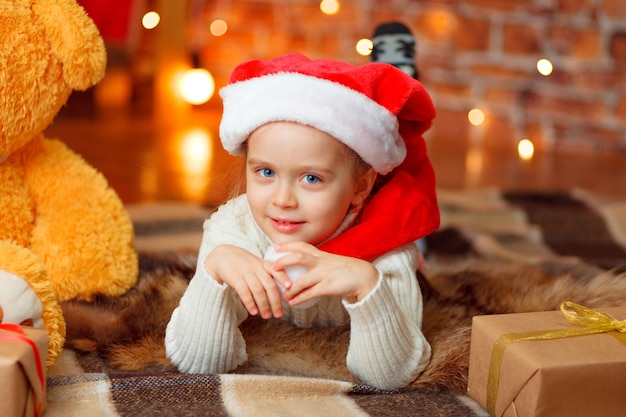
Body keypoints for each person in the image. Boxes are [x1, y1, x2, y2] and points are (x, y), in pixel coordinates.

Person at [165, 52, 439, 390]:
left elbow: (394, 376)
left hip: (380, 227)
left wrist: (368, 286)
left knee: (420, 256)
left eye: (311, 179)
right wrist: (214, 273)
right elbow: (199, 363)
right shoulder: (233, 232)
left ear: (361, 186)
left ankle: (401, 68)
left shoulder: (388, 250)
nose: (283, 200)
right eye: (266, 172)